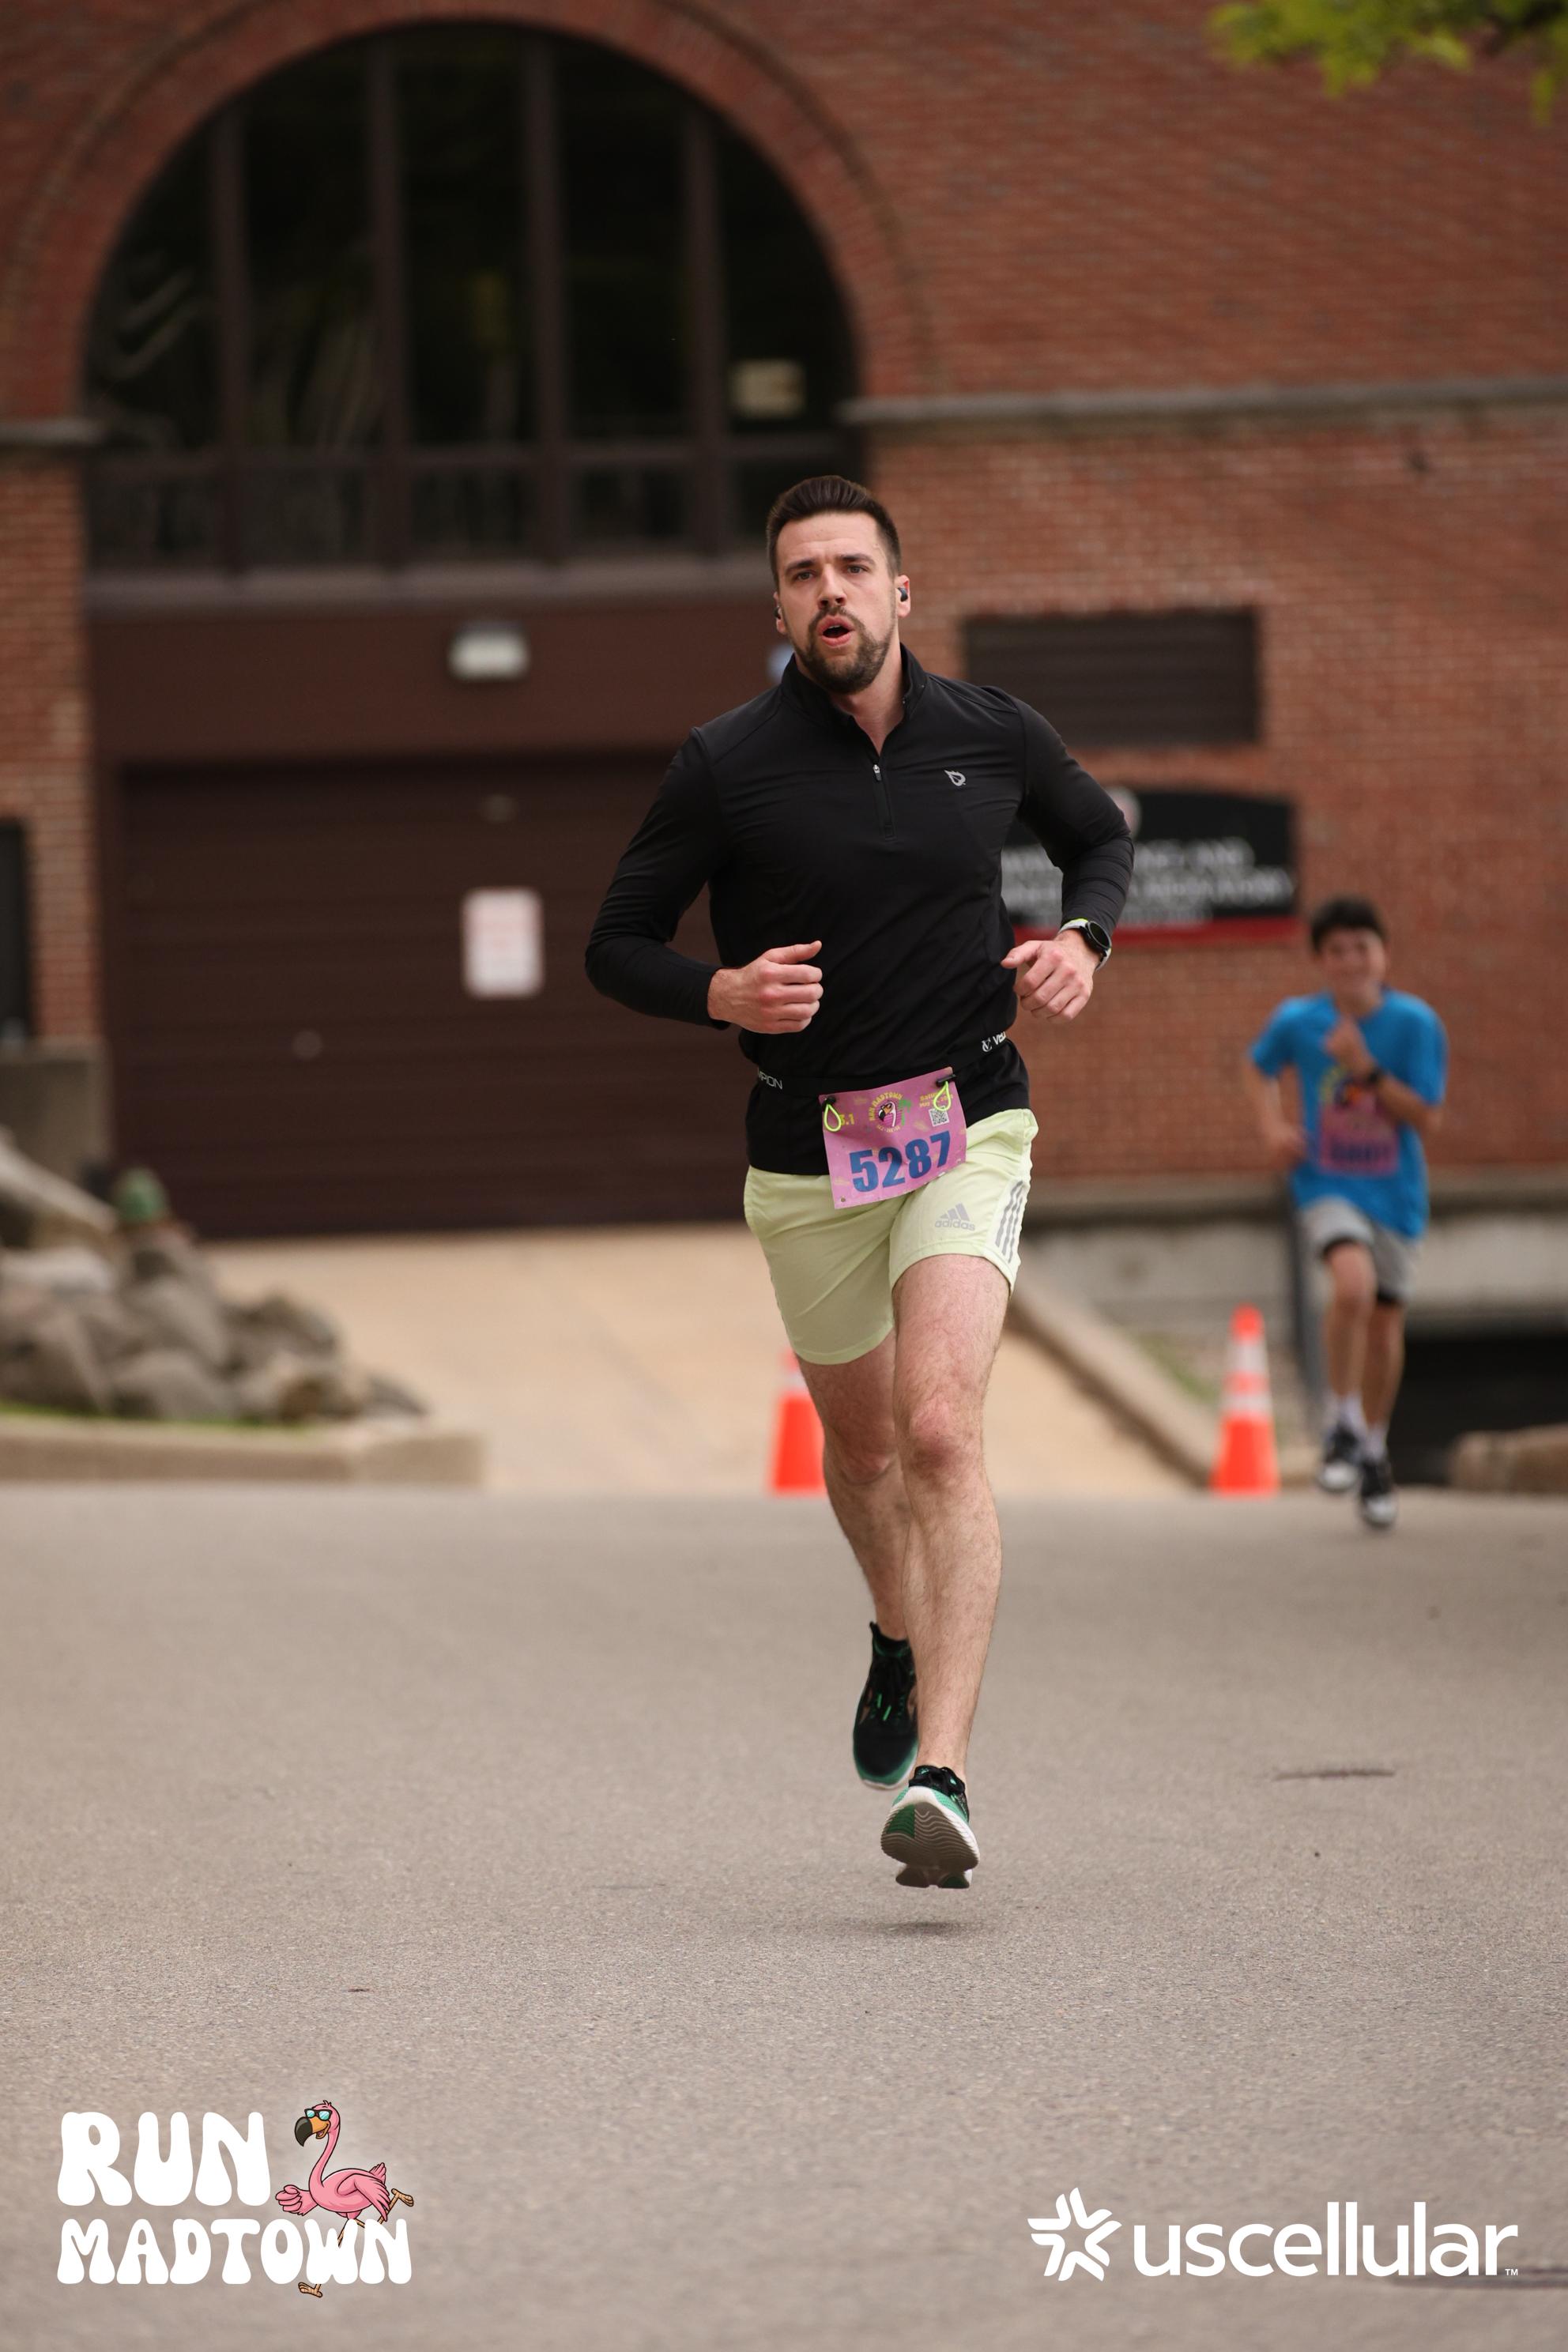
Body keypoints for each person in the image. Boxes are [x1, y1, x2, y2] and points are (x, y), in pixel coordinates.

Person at [586, 475, 1131, 1887]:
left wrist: (1082, 938)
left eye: (850, 567)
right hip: (805, 1148)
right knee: (867, 1450)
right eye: (801, 574)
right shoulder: (724, 764)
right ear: (777, 610)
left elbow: (1099, 838)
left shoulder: (991, 732)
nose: (829, 591)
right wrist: (717, 991)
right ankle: (893, 1630)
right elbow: (615, 942)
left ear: (899, 589)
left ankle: (941, 1775)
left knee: (940, 1429)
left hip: (968, 1115)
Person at [1244, 895, 1447, 1532]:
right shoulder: (1298, 1020)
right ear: (1321, 961)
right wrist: (1273, 1126)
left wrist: (1365, 1068)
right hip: (1326, 1183)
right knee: (1351, 1285)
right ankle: (1339, 1422)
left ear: (1383, 954)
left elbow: (1427, 1118)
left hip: (1397, 1193)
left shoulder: (1415, 1023)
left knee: (1385, 1327)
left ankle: (1374, 1450)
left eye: (1363, 947)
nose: (1351, 960)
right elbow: (1257, 1067)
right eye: (1337, 950)